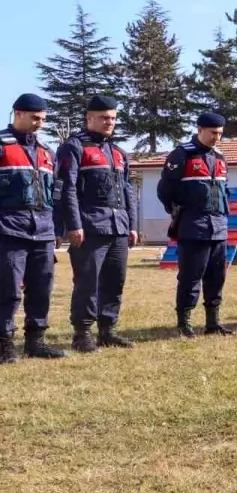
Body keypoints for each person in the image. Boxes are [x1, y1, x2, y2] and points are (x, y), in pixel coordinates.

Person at [54, 95, 138, 352]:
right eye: (104, 118)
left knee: (116, 280)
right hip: (90, 226)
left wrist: (132, 225)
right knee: (87, 282)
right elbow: (67, 189)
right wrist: (73, 225)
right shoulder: (74, 147)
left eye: (112, 118)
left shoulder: (118, 152)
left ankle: (108, 330)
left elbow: (127, 190)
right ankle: (82, 334)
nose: (109, 122)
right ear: (89, 118)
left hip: (118, 227)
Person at [158, 112, 235, 338]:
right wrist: (178, 212)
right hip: (193, 227)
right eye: (213, 133)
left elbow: (224, 190)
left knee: (216, 277)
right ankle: (184, 322)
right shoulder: (181, 155)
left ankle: (213, 323)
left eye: (220, 134)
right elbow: (165, 190)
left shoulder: (220, 157)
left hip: (218, 227)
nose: (216, 138)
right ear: (200, 129)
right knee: (191, 277)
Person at [0, 93, 64, 362]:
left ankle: (35, 341)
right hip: (8, 230)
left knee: (41, 287)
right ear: (17, 114)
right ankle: (4, 343)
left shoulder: (46, 152)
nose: (39, 123)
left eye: (42, 119)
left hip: (43, 231)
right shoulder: (2, 146)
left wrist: (57, 229)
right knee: (8, 289)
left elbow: (56, 194)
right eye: (34, 118)